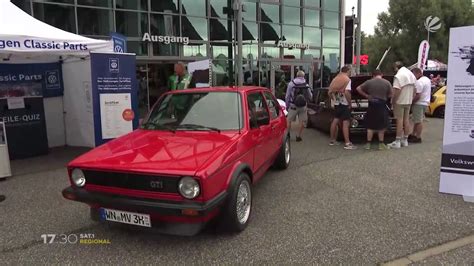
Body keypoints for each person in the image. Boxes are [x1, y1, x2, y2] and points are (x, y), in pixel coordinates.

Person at [356, 70, 393, 150]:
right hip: (382, 105)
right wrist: (385, 96)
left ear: (373, 75)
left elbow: (358, 88)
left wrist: (366, 95)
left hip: (372, 105)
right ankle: (381, 144)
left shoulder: (369, 82)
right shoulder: (387, 82)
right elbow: (391, 94)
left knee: (370, 125)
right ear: (381, 74)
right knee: (381, 125)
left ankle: (368, 144)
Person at [388, 61, 417, 149]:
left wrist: (393, 100)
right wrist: (411, 98)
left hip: (400, 101)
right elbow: (415, 89)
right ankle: (405, 140)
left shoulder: (398, 76)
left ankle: (397, 141)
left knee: (399, 121)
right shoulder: (411, 74)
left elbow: (397, 90)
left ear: (396, 67)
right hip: (408, 101)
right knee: (406, 120)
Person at [328, 65, 356, 150]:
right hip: (344, 103)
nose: (351, 72)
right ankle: (347, 143)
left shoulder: (335, 79)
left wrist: (333, 100)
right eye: (351, 71)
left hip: (337, 103)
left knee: (335, 121)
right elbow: (347, 92)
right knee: (345, 123)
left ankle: (332, 140)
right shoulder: (347, 79)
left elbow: (330, 92)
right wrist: (350, 103)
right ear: (348, 71)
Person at [285, 70, 313, 142]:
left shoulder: (291, 84)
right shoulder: (306, 84)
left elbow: (287, 96)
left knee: (289, 120)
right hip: (303, 106)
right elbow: (310, 96)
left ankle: (288, 135)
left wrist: (287, 105)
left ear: (296, 75)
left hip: (293, 105)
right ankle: (298, 136)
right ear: (303, 76)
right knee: (302, 121)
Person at [408, 67, 431, 143]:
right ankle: (413, 134)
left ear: (418, 73)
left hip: (419, 103)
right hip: (425, 102)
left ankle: (418, 137)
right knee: (417, 120)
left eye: (413, 74)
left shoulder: (419, 82)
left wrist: (412, 102)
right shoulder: (427, 79)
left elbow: (418, 95)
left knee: (418, 121)